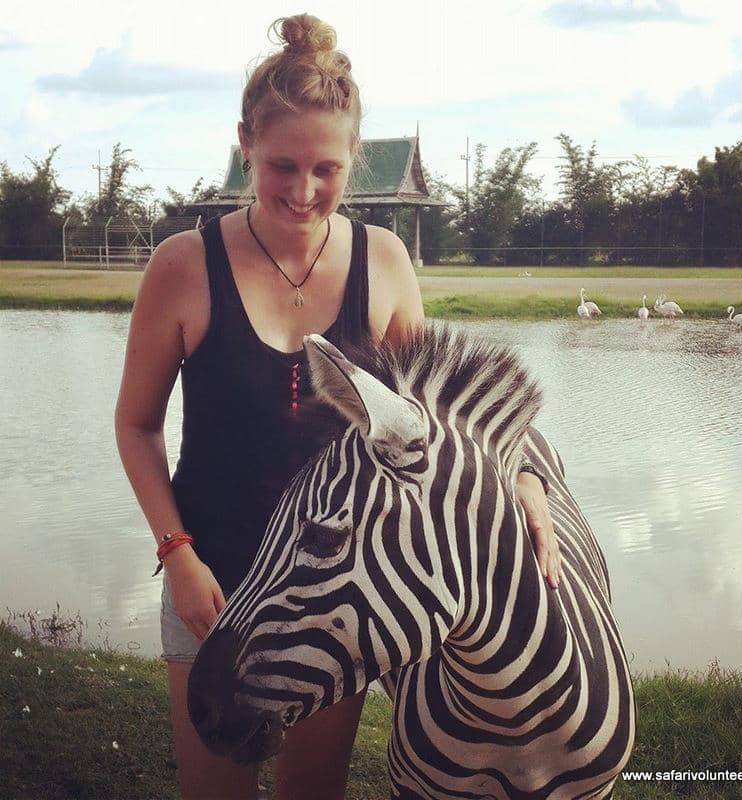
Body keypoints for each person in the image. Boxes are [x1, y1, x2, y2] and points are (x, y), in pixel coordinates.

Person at [115, 14, 561, 800]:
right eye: (281, 164)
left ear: (355, 157)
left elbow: (436, 419)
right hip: (209, 575)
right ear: (245, 143)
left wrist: (524, 476)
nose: (303, 190)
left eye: (327, 167)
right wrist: (176, 552)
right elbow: (136, 423)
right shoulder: (183, 266)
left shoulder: (383, 263)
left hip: (333, 598)